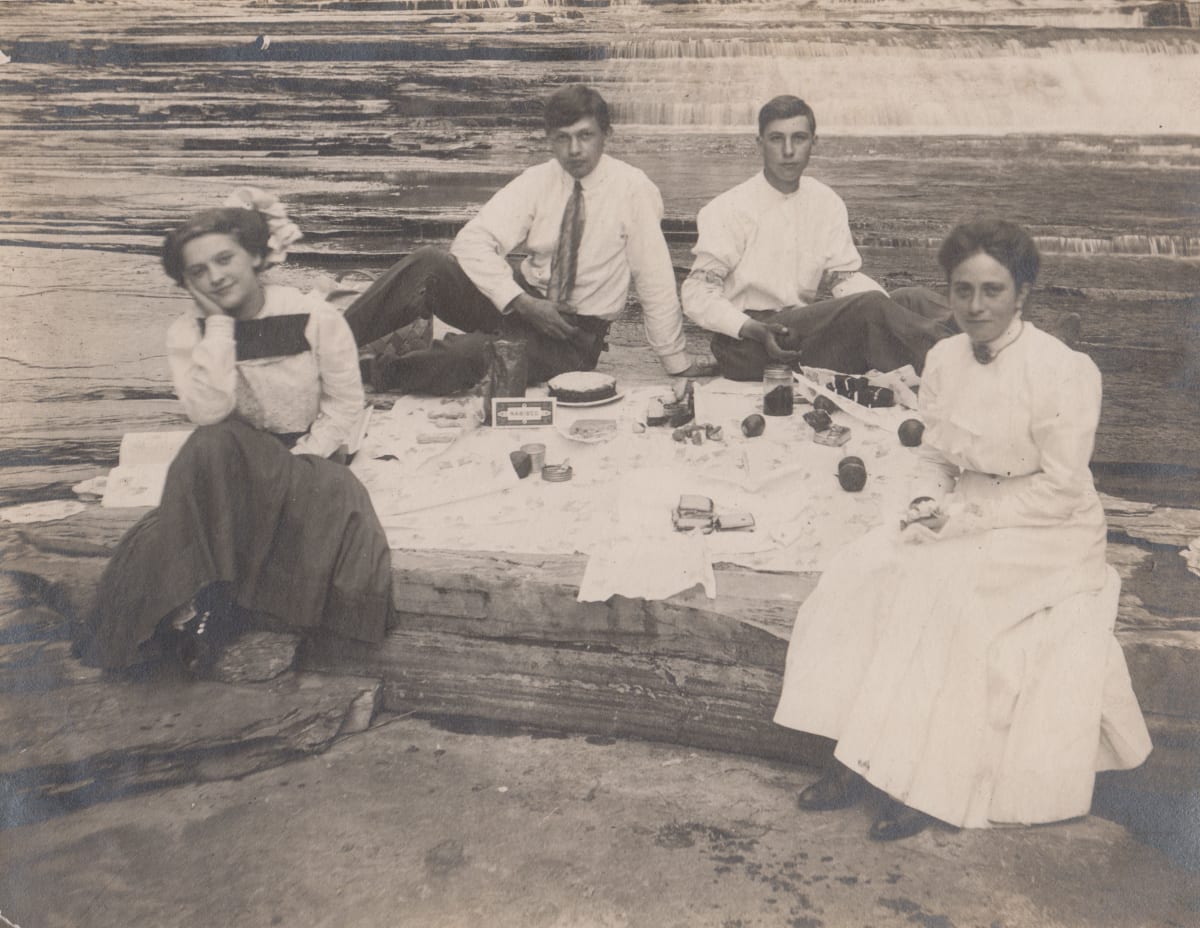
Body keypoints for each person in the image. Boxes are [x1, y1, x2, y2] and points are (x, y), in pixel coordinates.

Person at [773, 219, 1151, 840]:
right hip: (964, 510)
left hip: (1048, 528)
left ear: (1022, 293)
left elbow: (1061, 485)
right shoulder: (944, 358)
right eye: (962, 290)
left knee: (949, 598)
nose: (975, 307)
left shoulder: (1063, 370)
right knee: (862, 571)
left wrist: (970, 517)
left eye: (992, 291)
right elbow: (935, 455)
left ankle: (923, 782)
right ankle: (850, 758)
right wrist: (926, 500)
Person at [77, 190, 394, 675]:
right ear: (187, 282)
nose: (216, 276)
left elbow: (345, 408)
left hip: (307, 460)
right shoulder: (189, 332)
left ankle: (221, 601)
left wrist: (298, 460)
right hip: (230, 463)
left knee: (221, 455)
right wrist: (220, 327)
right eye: (198, 271)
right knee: (211, 442)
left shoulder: (316, 316)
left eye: (224, 259)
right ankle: (209, 605)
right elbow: (209, 410)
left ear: (255, 256)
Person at [343, 84, 706, 394]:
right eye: (562, 139)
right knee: (427, 264)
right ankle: (328, 343)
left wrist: (676, 361)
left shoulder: (633, 190)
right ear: (549, 140)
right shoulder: (538, 180)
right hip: (519, 304)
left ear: (605, 135)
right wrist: (520, 301)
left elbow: (655, 280)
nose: (574, 150)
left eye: (585, 135)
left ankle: (370, 372)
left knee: (468, 356)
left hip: (570, 337)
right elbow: (472, 242)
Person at [682, 95, 955, 380]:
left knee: (912, 299)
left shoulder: (825, 201)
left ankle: (984, 342)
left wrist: (894, 313)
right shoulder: (728, 207)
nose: (788, 150)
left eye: (798, 138)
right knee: (871, 307)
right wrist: (752, 328)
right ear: (759, 144)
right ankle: (957, 367)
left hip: (801, 332)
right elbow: (696, 294)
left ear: (814, 142)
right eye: (776, 139)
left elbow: (844, 279)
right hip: (747, 345)